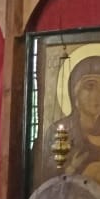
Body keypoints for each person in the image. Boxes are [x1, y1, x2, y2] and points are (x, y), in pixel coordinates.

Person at [42, 56, 100, 186]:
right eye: (90, 86)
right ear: (75, 92)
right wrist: (71, 168)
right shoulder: (58, 131)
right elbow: (47, 176)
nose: (98, 94)